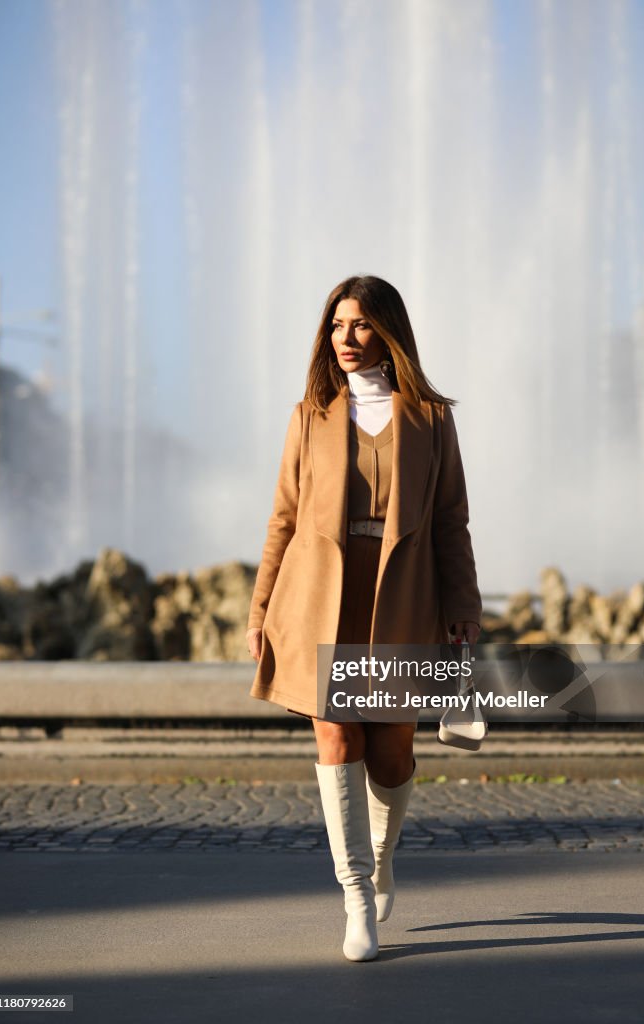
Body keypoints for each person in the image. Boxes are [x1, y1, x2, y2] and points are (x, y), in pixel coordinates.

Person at [246, 275, 482, 962]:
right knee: (336, 741)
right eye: (335, 326)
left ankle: (380, 860)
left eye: (359, 325)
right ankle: (355, 898)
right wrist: (260, 609)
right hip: (320, 597)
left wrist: (464, 607)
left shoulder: (432, 418)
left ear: (388, 331)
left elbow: (450, 520)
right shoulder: (309, 415)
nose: (344, 339)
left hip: (404, 595)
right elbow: (283, 518)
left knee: (391, 754)